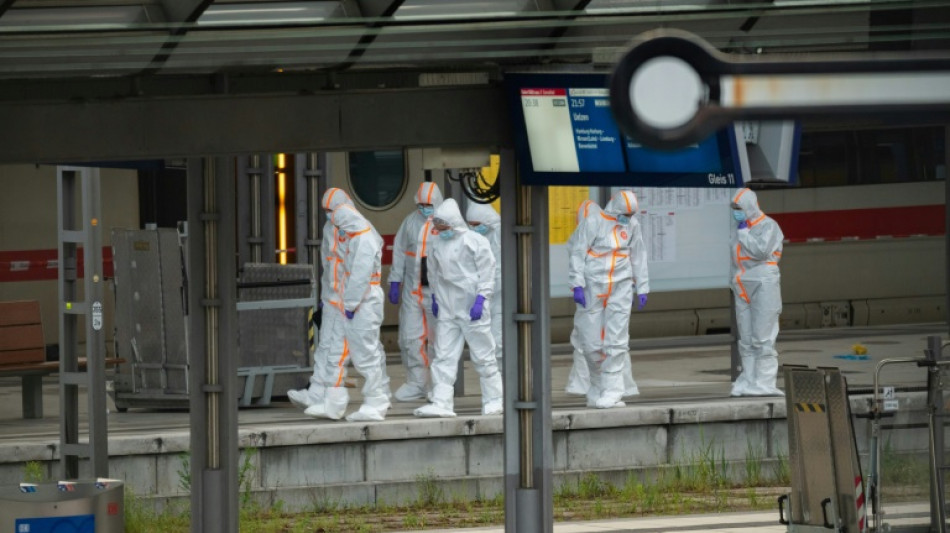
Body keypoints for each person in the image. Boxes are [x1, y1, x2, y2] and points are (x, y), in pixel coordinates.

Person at [414, 199, 503, 418]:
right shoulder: (436, 244)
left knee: (484, 355)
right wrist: (435, 297)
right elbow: (433, 274)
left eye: (443, 226)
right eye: (438, 227)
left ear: (453, 222)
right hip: (448, 308)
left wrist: (481, 298)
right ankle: (441, 402)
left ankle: (494, 400)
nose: (440, 231)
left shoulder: (475, 241)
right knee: (443, 356)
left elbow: (488, 272)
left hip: (472, 308)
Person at [305, 203, 392, 421]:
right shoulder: (354, 238)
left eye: (339, 226)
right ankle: (333, 402)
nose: (337, 231)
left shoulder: (363, 240)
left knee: (365, 353)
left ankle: (376, 401)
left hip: (364, 303)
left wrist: (351, 305)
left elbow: (359, 277)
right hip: (350, 303)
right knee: (336, 351)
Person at [568, 189, 649, 409]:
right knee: (590, 343)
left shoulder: (632, 226)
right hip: (593, 287)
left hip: (621, 288)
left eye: (631, 215)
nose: (628, 218)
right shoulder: (593, 222)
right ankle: (597, 387)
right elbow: (577, 252)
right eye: (626, 214)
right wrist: (577, 283)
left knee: (617, 341)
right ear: (616, 208)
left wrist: (642, 286)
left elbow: (639, 255)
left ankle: (613, 391)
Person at [287, 187, 351, 410]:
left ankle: (374, 394)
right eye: (326, 210)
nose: (329, 214)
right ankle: (316, 393)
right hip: (334, 297)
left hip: (349, 299)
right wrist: (325, 295)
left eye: (332, 210)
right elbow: (328, 266)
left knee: (354, 351)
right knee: (326, 346)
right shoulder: (329, 229)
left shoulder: (356, 230)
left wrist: (353, 300)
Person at [389, 182, 443, 402]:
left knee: (439, 341)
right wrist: (395, 280)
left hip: (437, 293)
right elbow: (399, 251)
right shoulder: (410, 222)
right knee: (410, 338)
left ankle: (439, 386)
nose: (424, 208)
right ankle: (416, 383)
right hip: (413, 291)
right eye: (420, 204)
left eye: (428, 204)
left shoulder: (445, 221)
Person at [729, 187, 784, 397]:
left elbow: (760, 251)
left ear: (750, 206)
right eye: (734, 208)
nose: (736, 212)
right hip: (742, 284)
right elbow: (736, 258)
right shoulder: (739, 228)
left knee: (763, 337)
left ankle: (765, 382)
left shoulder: (768, 225)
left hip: (763, 283)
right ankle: (748, 379)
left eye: (739, 208)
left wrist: (744, 233)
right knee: (746, 338)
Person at [464, 202, 502, 368]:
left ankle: (500, 373)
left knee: (498, 338)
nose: (473, 228)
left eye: (476, 224)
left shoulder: (501, 234)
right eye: (470, 225)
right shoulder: (474, 238)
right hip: (484, 294)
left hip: (500, 295)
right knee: (485, 341)